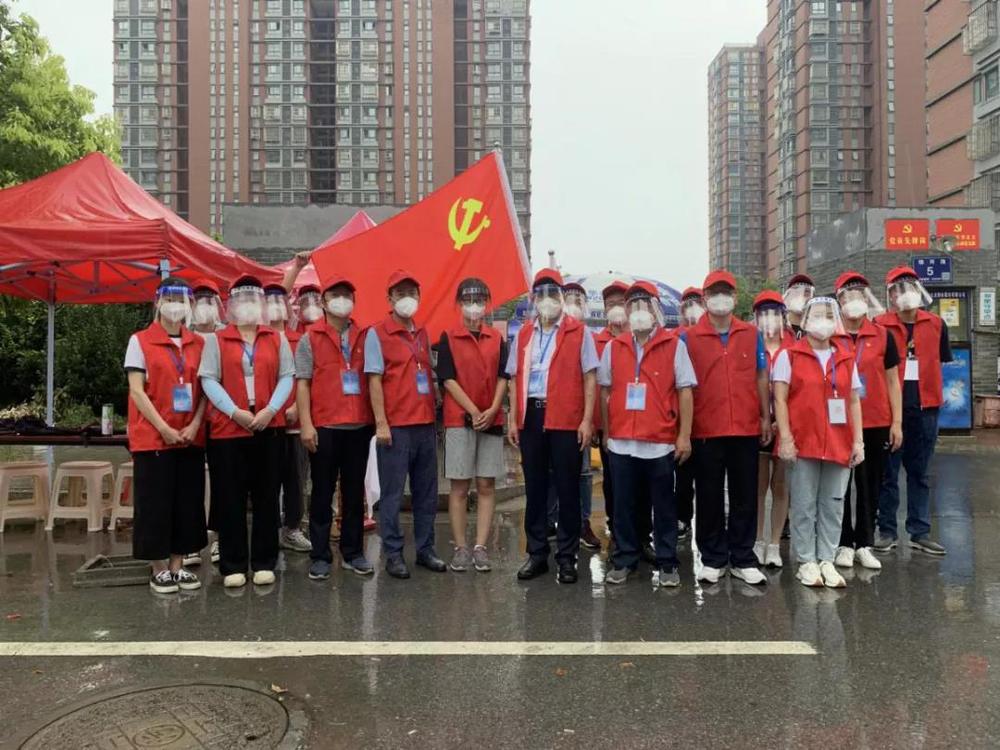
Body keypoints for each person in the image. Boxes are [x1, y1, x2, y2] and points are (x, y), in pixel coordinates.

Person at [199, 276, 295, 588]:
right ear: (231, 304)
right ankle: (233, 564)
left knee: (267, 496)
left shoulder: (276, 338)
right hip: (229, 430)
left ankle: (265, 561)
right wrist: (234, 411)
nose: (248, 304)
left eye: (254, 298)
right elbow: (208, 379)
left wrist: (271, 409)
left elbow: (287, 376)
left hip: (269, 427)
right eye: (242, 298)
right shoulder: (216, 340)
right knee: (230, 497)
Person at [599, 281, 696, 587]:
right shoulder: (614, 347)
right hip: (621, 441)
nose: (639, 310)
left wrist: (684, 436)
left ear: (656, 310)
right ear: (626, 311)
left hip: (659, 442)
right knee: (623, 505)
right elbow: (605, 391)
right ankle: (624, 558)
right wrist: (608, 431)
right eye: (633, 305)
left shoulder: (674, 346)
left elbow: (685, 392)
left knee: (663, 506)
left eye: (645, 304)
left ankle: (667, 562)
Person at [507, 268, 598, 584]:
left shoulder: (579, 332)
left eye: (552, 293)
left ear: (561, 297)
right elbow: (514, 377)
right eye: (541, 294)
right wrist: (513, 418)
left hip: (566, 416)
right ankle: (536, 553)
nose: (547, 300)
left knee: (567, 487)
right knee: (535, 487)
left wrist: (587, 420)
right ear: (534, 299)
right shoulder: (524, 334)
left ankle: (567, 556)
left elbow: (590, 377)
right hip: (531, 415)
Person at [685, 270, 770, 586]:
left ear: (734, 297)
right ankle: (713, 558)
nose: (720, 298)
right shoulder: (689, 337)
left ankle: (743, 557)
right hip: (706, 428)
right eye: (714, 292)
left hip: (745, 427)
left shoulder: (750, 333)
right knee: (708, 495)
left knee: (744, 494)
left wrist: (765, 416)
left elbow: (760, 375)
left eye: (726, 292)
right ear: (704, 298)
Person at [773, 296, 865, 588]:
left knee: (833, 503)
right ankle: (806, 561)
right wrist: (786, 438)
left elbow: (853, 401)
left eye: (828, 315)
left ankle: (826, 558)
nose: (822, 321)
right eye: (816, 315)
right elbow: (780, 399)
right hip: (804, 442)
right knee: (803, 503)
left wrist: (858, 441)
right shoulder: (790, 355)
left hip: (839, 442)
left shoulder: (846, 357)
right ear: (806, 319)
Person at [124, 278, 207, 594]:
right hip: (154, 437)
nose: (175, 305)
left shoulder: (198, 343)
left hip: (189, 436)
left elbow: (204, 390)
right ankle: (158, 567)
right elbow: (137, 391)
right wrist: (163, 428)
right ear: (158, 302)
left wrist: (195, 424)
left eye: (181, 300)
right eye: (169, 299)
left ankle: (177, 564)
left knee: (187, 502)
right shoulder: (140, 341)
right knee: (155, 502)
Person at [365, 270, 445, 579]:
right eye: (400, 293)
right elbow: (374, 380)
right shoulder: (377, 334)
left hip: (425, 424)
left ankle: (425, 549)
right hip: (395, 427)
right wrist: (381, 423)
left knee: (426, 493)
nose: (407, 298)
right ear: (389, 299)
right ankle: (394, 554)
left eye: (412, 292)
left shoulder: (422, 332)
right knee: (393, 494)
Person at [296, 275, 375, 579]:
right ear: (324, 302)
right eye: (335, 295)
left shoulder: (365, 335)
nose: (342, 300)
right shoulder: (310, 338)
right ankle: (320, 555)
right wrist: (306, 424)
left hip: (358, 426)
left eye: (347, 295)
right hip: (325, 425)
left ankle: (353, 552)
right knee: (322, 491)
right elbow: (303, 383)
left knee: (354, 493)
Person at [875, 266, 952, 556]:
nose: (904, 293)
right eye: (898, 288)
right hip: (889, 409)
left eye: (909, 286)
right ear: (890, 295)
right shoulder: (879, 325)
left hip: (925, 408)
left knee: (920, 473)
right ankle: (887, 530)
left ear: (918, 290)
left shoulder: (936, 324)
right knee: (888, 473)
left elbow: (941, 360)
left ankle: (920, 531)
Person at [436, 278, 509, 573]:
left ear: (487, 304)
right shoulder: (449, 337)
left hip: (491, 418)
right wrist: (474, 410)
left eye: (479, 300)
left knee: (486, 484)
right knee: (459, 486)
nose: (474, 305)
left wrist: (492, 409)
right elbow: (447, 379)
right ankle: (460, 547)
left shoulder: (497, 338)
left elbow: (504, 376)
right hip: (459, 419)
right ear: (459, 304)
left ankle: (480, 546)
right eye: (468, 300)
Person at [833, 272, 902, 571]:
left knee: (870, 485)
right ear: (839, 300)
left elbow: (893, 382)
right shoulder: (829, 335)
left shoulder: (883, 335)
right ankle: (842, 543)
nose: (854, 300)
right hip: (839, 422)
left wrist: (896, 422)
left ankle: (864, 543)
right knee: (839, 486)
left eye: (860, 294)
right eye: (848, 295)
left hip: (875, 421)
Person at [264, 283, 312, 554]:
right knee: (267, 480)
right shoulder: (257, 339)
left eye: (279, 300)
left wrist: (296, 406)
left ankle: (292, 528)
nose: (274, 306)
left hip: (294, 424)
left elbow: (308, 378)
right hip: (267, 424)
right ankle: (268, 530)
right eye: (269, 300)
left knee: (295, 480)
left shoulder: (299, 339)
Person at [186, 277, 225, 567]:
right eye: (199, 299)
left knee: (224, 481)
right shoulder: (183, 337)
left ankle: (220, 539)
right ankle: (190, 542)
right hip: (189, 421)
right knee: (191, 482)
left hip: (222, 420)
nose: (204, 305)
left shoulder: (226, 336)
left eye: (209, 299)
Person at [561, 280, 602, 551]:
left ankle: (584, 522)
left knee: (584, 472)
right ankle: (555, 521)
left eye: (578, 301)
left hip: (582, 416)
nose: (573, 306)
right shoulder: (550, 335)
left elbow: (594, 382)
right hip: (557, 416)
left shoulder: (589, 336)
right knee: (555, 473)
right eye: (569, 300)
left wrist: (592, 420)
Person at [752, 289, 789, 569]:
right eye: (763, 313)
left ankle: (774, 543)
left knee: (781, 485)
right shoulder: (751, 345)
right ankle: (757, 541)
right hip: (758, 425)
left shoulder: (795, 346)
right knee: (758, 485)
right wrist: (763, 417)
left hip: (786, 425)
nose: (769, 318)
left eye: (774, 312)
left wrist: (783, 422)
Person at [593, 280, 631, 541]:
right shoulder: (597, 341)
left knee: (637, 479)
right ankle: (615, 525)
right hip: (607, 423)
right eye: (610, 304)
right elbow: (594, 386)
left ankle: (639, 531)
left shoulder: (640, 337)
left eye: (620, 302)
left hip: (637, 421)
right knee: (612, 478)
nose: (615, 308)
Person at [675, 286, 705, 539]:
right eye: (688, 303)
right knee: (682, 474)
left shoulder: (711, 335)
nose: (693, 307)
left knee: (708, 476)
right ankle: (682, 517)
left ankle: (708, 521)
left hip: (706, 415)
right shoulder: (675, 338)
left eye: (697, 302)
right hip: (682, 417)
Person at [783, 273, 815, 340]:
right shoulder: (780, 327)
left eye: (807, 291)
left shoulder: (816, 329)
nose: (801, 295)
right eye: (796, 291)